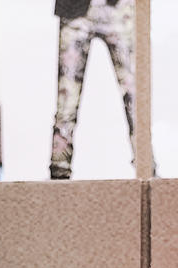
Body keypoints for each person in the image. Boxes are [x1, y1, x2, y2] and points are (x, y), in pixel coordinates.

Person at [50, 0, 134, 179]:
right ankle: (59, 175)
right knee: (66, 100)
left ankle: (147, 170)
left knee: (136, 98)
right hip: (76, 9)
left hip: (119, 8)